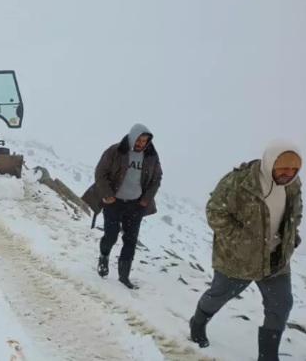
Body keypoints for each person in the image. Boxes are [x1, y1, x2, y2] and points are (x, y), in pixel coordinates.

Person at [189, 140, 302, 360]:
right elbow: (215, 213)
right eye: (284, 168)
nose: (289, 173)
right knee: (219, 296)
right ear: (271, 162)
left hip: (276, 259)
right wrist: (241, 241)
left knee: (281, 303)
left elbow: (295, 213)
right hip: (238, 258)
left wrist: (292, 236)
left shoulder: (293, 185)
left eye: (294, 168)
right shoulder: (240, 182)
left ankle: (268, 356)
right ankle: (198, 322)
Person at [81, 123, 163, 289]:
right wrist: (108, 195)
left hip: (135, 205)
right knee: (110, 236)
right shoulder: (116, 151)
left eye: (145, 141)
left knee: (130, 241)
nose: (141, 143)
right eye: (139, 140)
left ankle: (124, 277)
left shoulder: (151, 156)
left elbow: (156, 179)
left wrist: (145, 199)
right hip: (114, 202)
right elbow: (100, 173)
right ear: (133, 137)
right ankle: (104, 256)